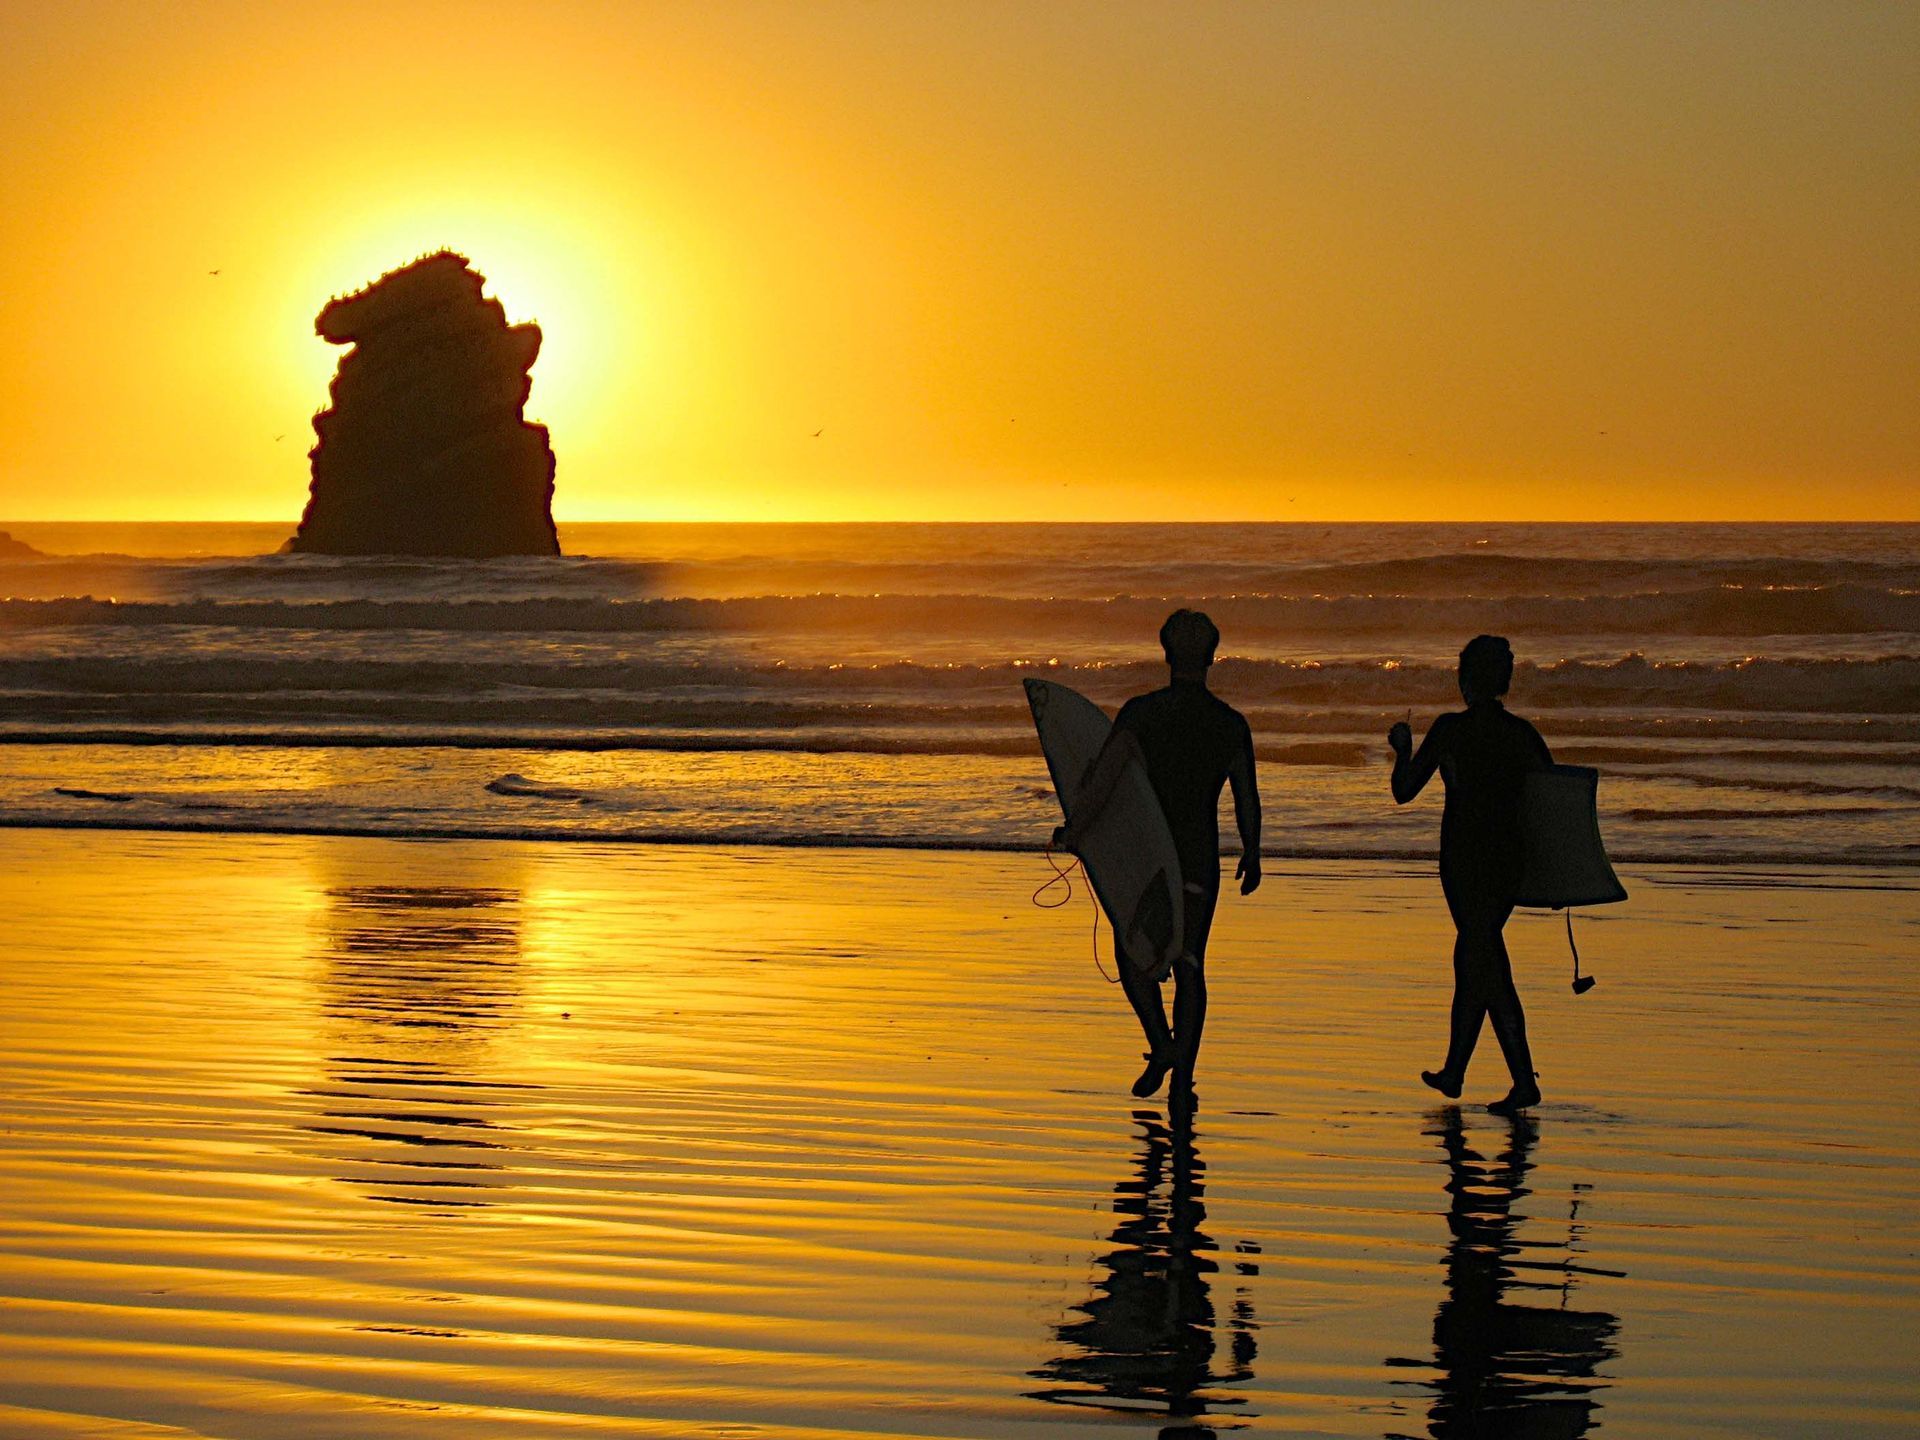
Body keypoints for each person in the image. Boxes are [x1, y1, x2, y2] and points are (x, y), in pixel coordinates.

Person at [1056, 609, 1261, 1102]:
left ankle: (1161, 1044)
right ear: (1213, 657)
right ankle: (1183, 1081)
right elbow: (1247, 797)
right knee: (1191, 964)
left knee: (1131, 957)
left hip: (1147, 856)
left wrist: (1076, 830)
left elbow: (1104, 782)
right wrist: (1253, 853)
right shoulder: (1231, 725)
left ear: (1165, 653)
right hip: (1198, 860)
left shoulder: (1141, 714)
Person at [1388, 634, 1552, 1114]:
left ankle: (1509, 1079)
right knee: (1477, 961)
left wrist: (1402, 748)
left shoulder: (1449, 730)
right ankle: (1461, 1072)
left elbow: (1404, 791)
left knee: (1484, 965)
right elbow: (1552, 803)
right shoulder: (1523, 735)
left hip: (1462, 858)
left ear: (1465, 680)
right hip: (1506, 860)